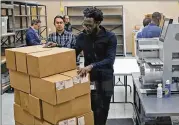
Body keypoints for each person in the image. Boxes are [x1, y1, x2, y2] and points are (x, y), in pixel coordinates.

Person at [75, 7, 117, 125]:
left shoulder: (110, 37)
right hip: (90, 78)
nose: (86, 28)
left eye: (89, 25)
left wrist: (92, 66)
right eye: (84, 24)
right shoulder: (81, 37)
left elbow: (110, 60)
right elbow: (72, 53)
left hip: (106, 78)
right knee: (91, 108)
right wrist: (57, 47)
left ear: (98, 23)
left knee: (103, 109)